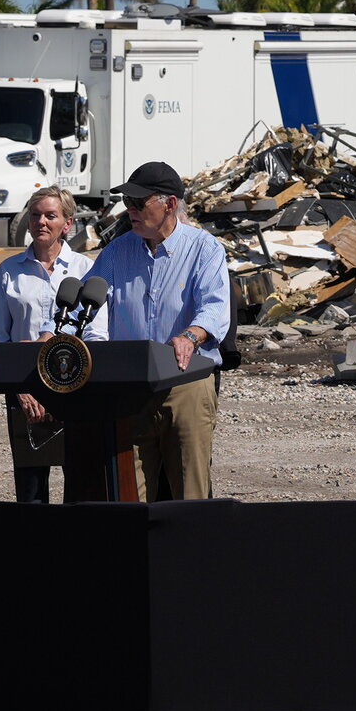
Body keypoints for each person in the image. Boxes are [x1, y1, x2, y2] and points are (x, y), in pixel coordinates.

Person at [88, 161, 230, 501]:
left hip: (186, 379)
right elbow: (85, 300)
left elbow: (215, 308)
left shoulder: (204, 248)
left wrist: (191, 335)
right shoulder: (116, 251)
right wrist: (56, 332)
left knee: (189, 492)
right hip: (130, 384)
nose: (131, 210)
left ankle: (190, 554)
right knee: (127, 493)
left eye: (139, 203)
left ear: (169, 204)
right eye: (127, 203)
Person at [0, 186, 94, 503]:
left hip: (75, 389)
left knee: (80, 480)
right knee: (31, 488)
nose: (41, 222)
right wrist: (21, 391)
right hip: (25, 392)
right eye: (35, 215)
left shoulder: (84, 269)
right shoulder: (9, 271)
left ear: (68, 223)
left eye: (51, 215)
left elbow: (93, 333)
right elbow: (0, 339)